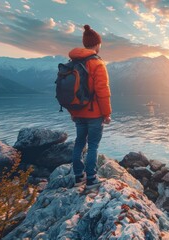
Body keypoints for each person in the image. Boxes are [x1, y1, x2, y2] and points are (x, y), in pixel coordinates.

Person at [68, 25, 111, 189]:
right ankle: (92, 179)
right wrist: (106, 114)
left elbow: (70, 90)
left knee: (79, 142)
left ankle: (78, 176)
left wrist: (72, 111)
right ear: (97, 44)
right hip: (94, 114)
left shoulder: (74, 62)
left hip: (78, 112)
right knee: (93, 145)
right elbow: (103, 91)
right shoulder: (97, 63)